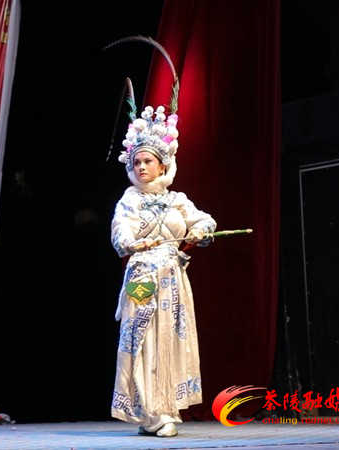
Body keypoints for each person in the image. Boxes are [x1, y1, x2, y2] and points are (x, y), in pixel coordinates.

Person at [109, 105, 216, 437]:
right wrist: (132, 243)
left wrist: (202, 231)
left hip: (172, 279)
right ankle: (150, 413)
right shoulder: (129, 201)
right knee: (141, 340)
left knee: (168, 340)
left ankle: (165, 409)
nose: (141, 167)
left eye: (147, 161)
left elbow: (204, 221)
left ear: (163, 165)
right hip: (141, 276)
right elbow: (120, 232)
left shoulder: (177, 200)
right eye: (136, 162)